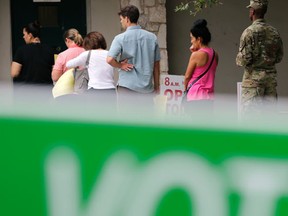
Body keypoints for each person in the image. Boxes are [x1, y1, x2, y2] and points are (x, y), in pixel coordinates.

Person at [106, 5, 161, 113]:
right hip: (147, 89)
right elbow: (156, 65)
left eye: (121, 19)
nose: (121, 22)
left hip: (127, 88)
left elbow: (109, 59)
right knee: (146, 124)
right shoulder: (152, 37)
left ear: (127, 19)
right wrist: (157, 86)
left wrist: (120, 65)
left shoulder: (120, 38)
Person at [236, 0, 283, 116]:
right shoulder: (274, 32)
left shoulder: (248, 32)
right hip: (270, 82)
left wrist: (238, 58)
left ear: (252, 11)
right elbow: (279, 57)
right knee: (268, 120)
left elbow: (244, 60)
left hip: (253, 83)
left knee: (250, 121)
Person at [66, 31, 116, 108]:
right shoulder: (110, 54)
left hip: (94, 91)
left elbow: (69, 64)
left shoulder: (87, 54)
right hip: (110, 90)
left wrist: (84, 64)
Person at [182, 19, 218, 116]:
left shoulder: (196, 55)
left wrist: (185, 90)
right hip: (209, 97)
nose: (191, 41)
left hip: (195, 97)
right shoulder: (215, 54)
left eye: (192, 38)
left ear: (199, 39)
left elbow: (187, 77)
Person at [11, 21, 54, 86]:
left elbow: (14, 73)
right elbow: (54, 72)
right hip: (45, 91)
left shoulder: (21, 50)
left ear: (30, 35)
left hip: (26, 91)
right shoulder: (49, 50)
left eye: (24, 34)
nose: (23, 37)